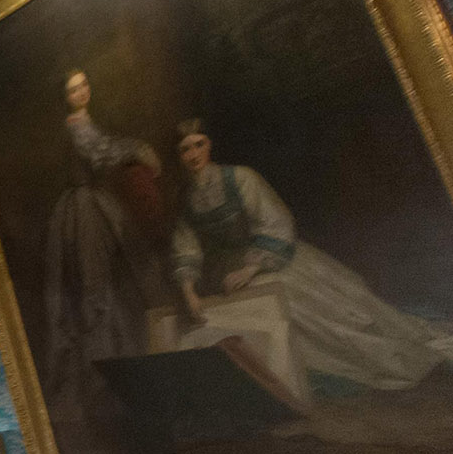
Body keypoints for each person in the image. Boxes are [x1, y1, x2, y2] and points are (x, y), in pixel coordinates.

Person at [169, 119, 453, 392]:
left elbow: (276, 223)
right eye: (185, 149)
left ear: (209, 145)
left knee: (315, 308)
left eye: (199, 144)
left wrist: (250, 269)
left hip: (268, 260)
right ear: (179, 156)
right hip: (227, 273)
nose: (193, 154)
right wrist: (189, 290)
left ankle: (392, 355)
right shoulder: (186, 198)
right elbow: (186, 244)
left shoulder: (240, 178)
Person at [42, 68, 161, 419]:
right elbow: (100, 154)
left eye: (83, 85)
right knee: (95, 290)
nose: (81, 93)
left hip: (98, 204)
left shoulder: (89, 121)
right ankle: (100, 383)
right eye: (73, 89)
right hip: (83, 212)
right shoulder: (74, 125)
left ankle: (125, 371)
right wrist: (138, 149)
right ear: (65, 97)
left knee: (119, 283)